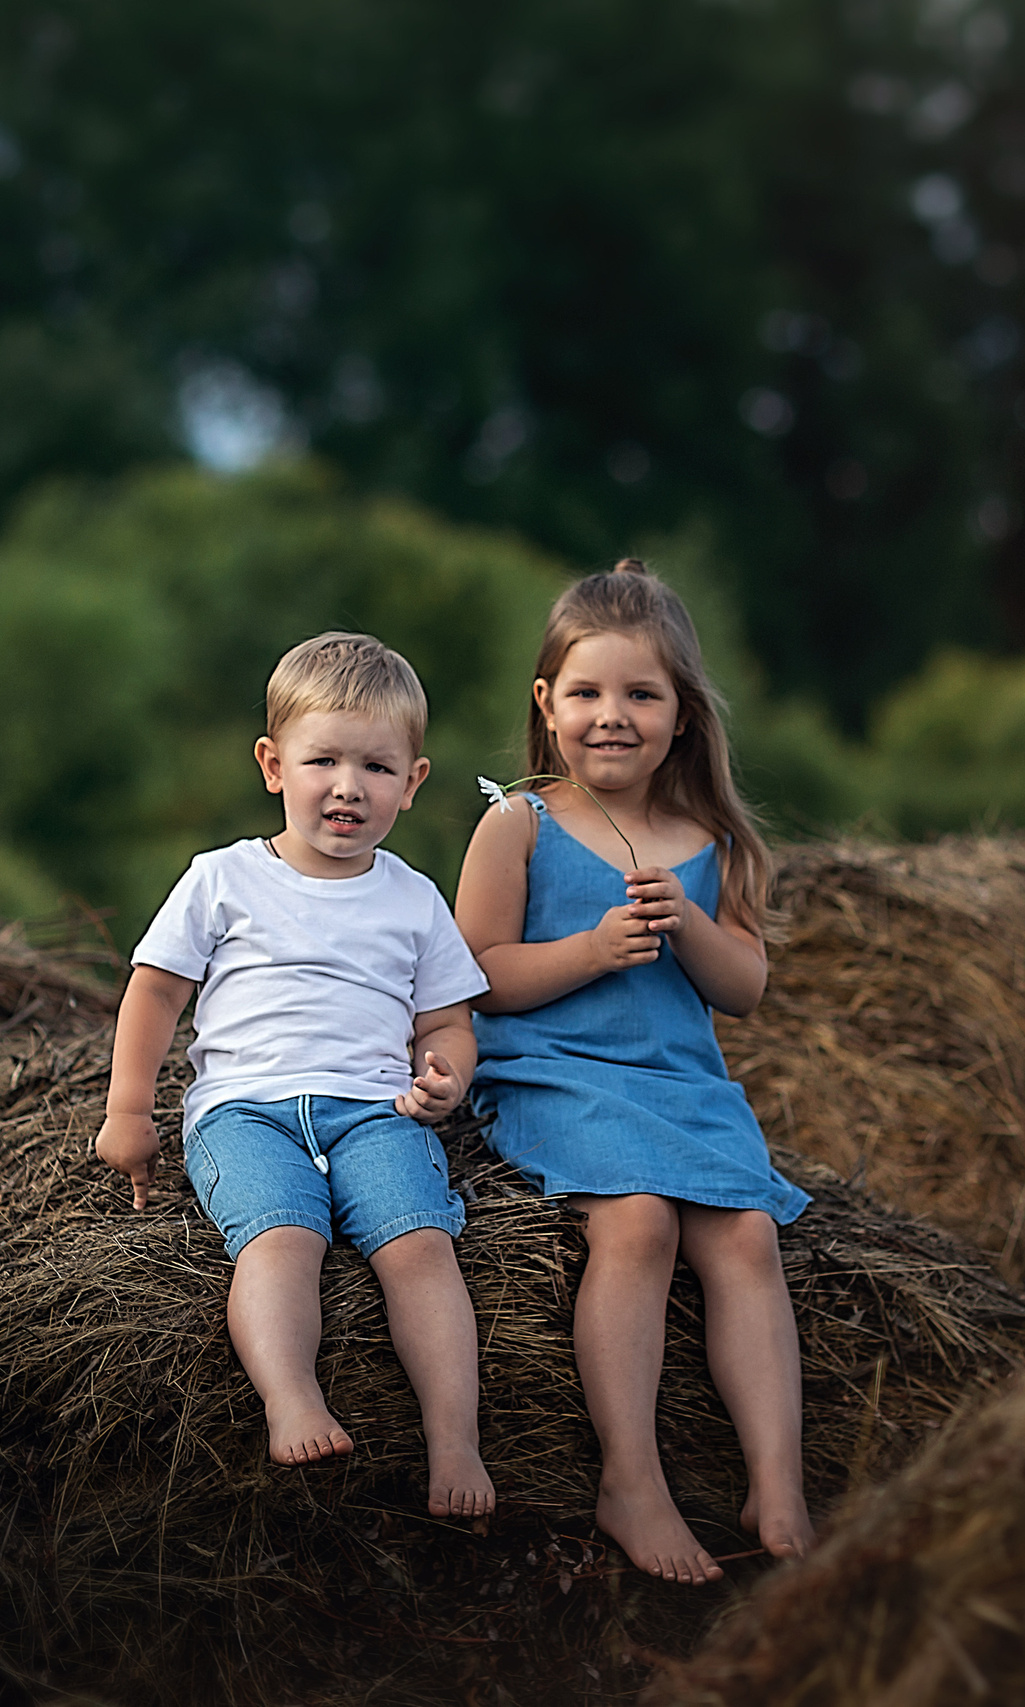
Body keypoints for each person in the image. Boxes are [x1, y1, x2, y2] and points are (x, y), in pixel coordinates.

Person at [453, 560, 813, 1584]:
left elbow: (742, 987)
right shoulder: (515, 824)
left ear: (682, 715)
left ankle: (774, 1478)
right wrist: (593, 951)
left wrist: (687, 923)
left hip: (682, 1086)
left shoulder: (716, 842)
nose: (612, 717)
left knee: (745, 1235)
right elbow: (475, 976)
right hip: (555, 1073)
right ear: (547, 704)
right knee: (639, 1220)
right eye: (587, 694)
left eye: (640, 695)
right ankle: (632, 1478)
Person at [96, 631, 496, 1523]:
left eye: (377, 767)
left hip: (376, 1110)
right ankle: (291, 1399)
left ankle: (456, 1440)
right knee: (283, 1240)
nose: (349, 785)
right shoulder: (222, 878)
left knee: (421, 1248)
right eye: (323, 759)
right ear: (274, 765)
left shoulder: (414, 897)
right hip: (246, 1111)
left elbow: (447, 1022)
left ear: (415, 781)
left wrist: (446, 1074)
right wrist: (129, 1108)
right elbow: (155, 992)